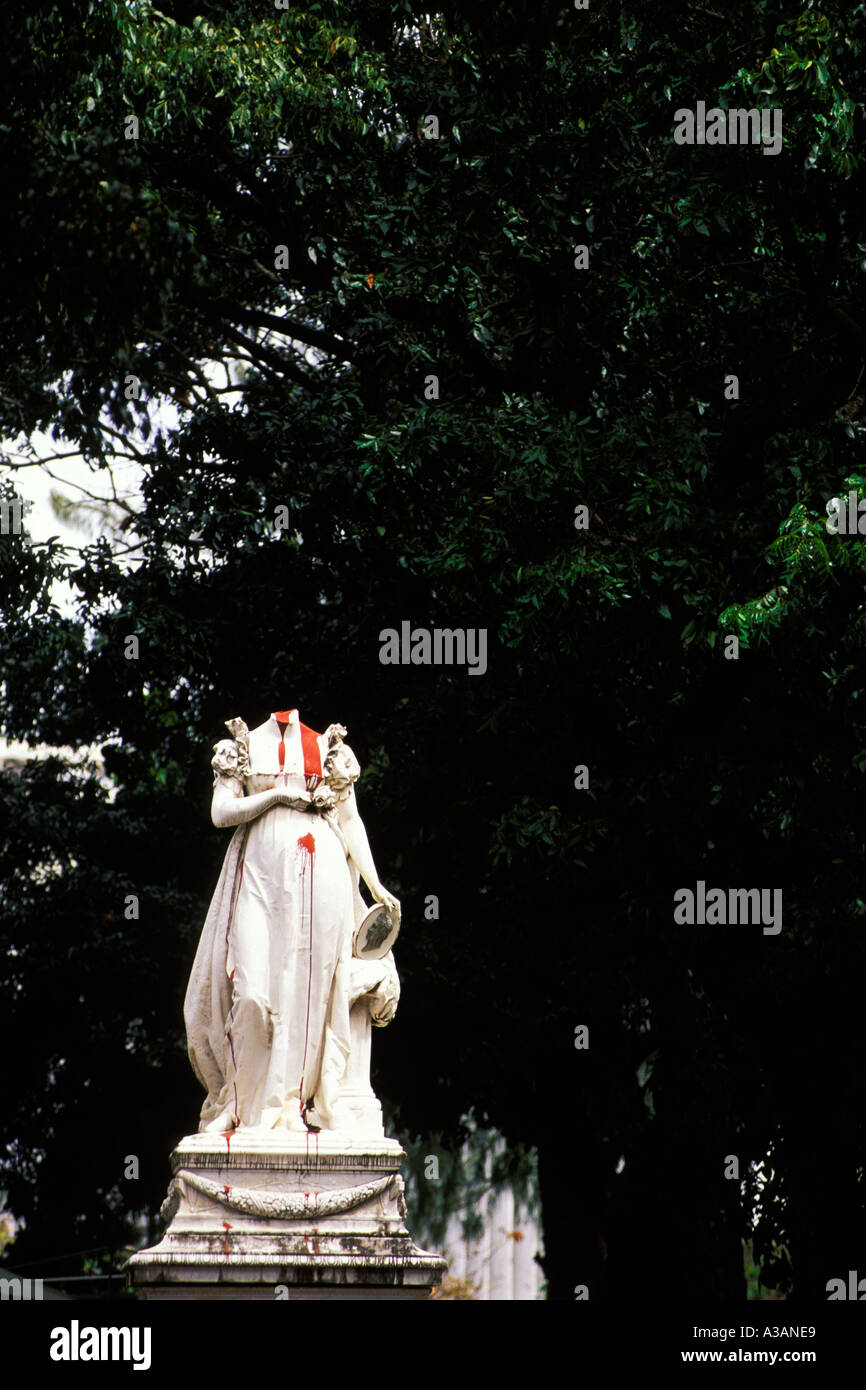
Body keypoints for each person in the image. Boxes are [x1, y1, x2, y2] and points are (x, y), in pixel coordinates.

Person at [184, 709, 400, 1135]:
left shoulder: (328, 747)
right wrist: (278, 797)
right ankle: (243, 1103)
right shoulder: (243, 745)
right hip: (260, 878)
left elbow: (351, 820)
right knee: (251, 992)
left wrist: (375, 885)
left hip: (324, 883)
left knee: (310, 995)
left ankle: (298, 1102)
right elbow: (221, 812)